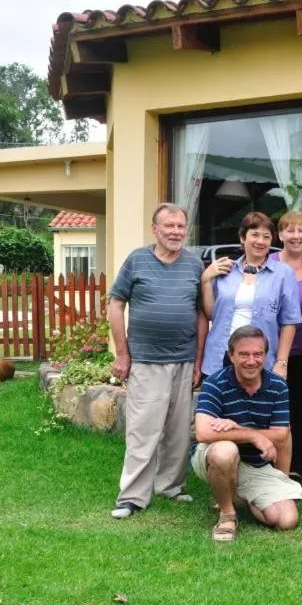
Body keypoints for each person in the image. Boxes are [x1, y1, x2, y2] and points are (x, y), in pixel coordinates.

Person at [107, 203, 205, 519]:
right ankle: (132, 496)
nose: (176, 232)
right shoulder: (137, 260)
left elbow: (202, 314)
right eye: (169, 226)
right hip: (146, 361)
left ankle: (171, 487)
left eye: (180, 226)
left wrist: (199, 360)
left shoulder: (194, 265)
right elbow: (116, 305)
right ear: (155, 229)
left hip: (184, 359)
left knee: (177, 432)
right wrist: (123, 354)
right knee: (143, 430)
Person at [200, 212, 301, 473]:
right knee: (222, 421)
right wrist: (205, 279)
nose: (260, 241)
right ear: (242, 237)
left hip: (259, 357)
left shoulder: (282, 274)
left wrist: (281, 361)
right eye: (254, 234)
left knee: (268, 420)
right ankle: (226, 478)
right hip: (222, 355)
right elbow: (212, 313)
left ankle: (278, 479)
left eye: (266, 236)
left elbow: (289, 320)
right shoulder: (225, 270)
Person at [190, 325, 301, 541]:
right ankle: (227, 515)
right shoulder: (215, 383)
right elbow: (203, 433)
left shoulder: (278, 386)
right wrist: (254, 436)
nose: (251, 361)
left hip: (255, 465)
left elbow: (280, 436)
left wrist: (237, 428)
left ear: (265, 356)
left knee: (286, 520)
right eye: (243, 354)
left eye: (258, 354)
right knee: (225, 451)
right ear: (231, 356)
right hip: (212, 457)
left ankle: (240, 496)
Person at [273, 211, 302, 480]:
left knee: (301, 412)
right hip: (272, 354)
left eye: (301, 231)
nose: (296, 236)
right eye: (290, 230)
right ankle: (270, 467)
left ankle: (296, 468)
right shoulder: (270, 263)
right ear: (280, 235)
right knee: (273, 412)